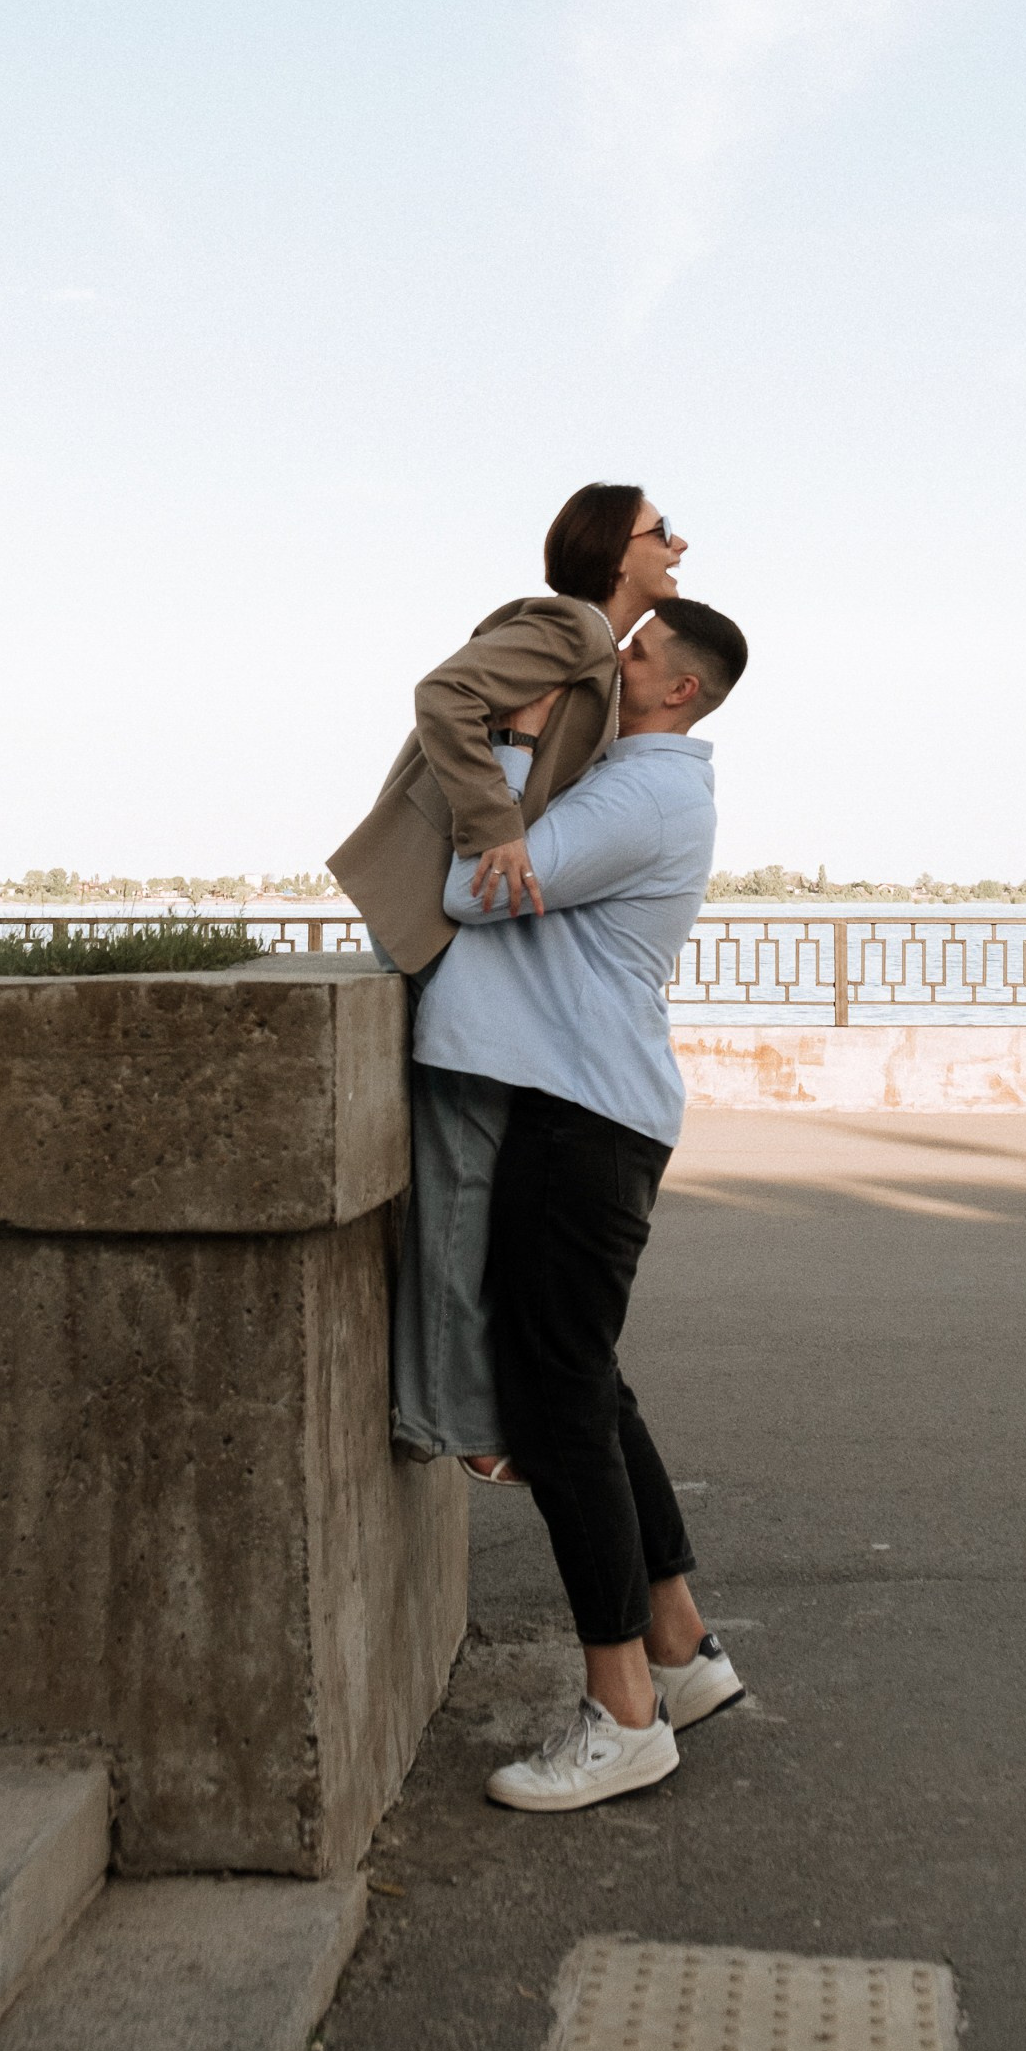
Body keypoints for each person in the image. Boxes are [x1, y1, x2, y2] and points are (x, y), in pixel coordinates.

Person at [419, 595, 752, 1811]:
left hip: (582, 1116)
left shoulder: (639, 796)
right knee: (587, 1385)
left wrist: (509, 743)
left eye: (635, 652)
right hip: (591, 1108)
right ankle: (679, 1645)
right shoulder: (641, 785)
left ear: (676, 690)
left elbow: (472, 888)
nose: (613, 660)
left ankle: (623, 1714)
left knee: (557, 1408)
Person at [329, 486, 692, 1468]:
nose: (679, 544)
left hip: (455, 921)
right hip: (431, 914)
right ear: (614, 550)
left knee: (473, 1176)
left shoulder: (593, 655)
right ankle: (448, 1417)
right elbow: (441, 694)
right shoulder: (571, 628)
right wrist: (494, 824)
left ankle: (453, 1408)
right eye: (661, 531)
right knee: (463, 1176)